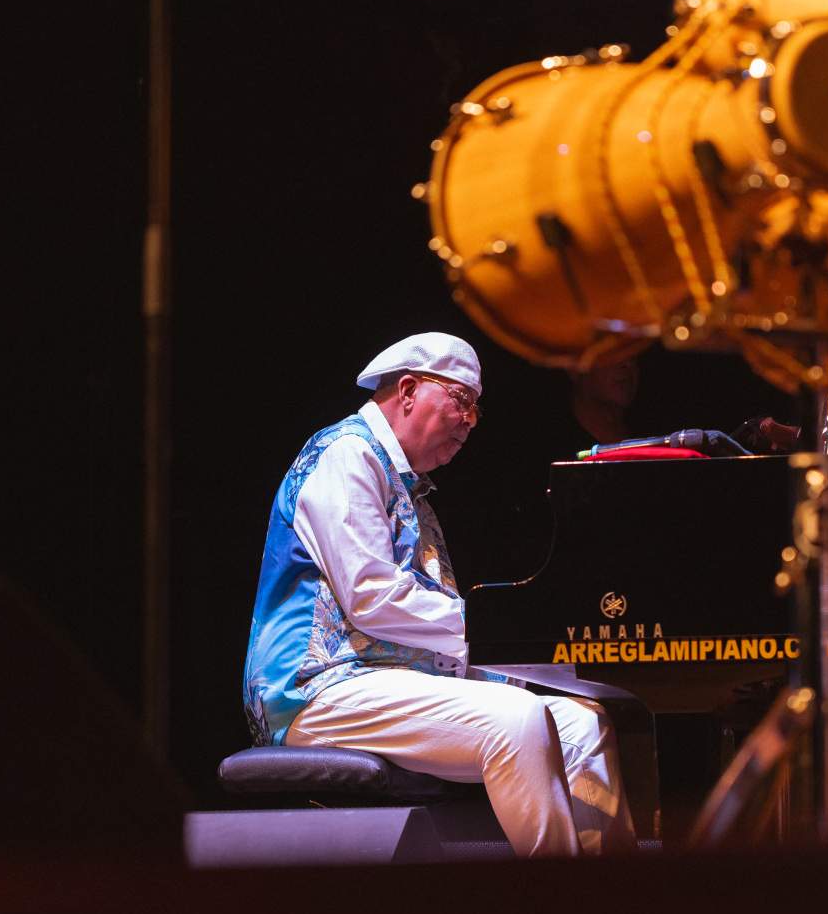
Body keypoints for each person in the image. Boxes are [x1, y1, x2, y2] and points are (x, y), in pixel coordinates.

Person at [242, 332, 635, 857]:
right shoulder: (347, 455)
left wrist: (529, 662)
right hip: (316, 689)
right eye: (462, 400)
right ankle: (561, 909)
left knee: (583, 722)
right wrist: (497, 630)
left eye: (477, 407)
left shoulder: (410, 489)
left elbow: (431, 629)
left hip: (382, 680)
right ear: (407, 390)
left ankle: (621, 902)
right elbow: (372, 597)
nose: (473, 421)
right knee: (516, 719)